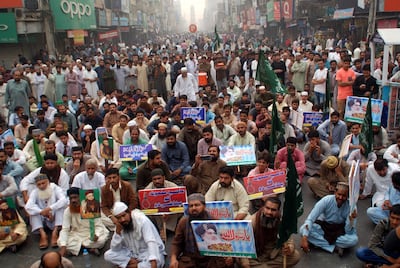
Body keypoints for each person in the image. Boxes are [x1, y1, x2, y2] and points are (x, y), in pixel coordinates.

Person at [169, 193, 229, 268]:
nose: (194, 208)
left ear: (204, 206)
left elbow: (225, 242)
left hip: (211, 258)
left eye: (197, 205)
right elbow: (177, 243)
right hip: (191, 258)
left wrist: (228, 256)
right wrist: (173, 258)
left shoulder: (214, 221)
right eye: (191, 206)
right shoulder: (184, 222)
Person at [300, 183, 358, 256]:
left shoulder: (352, 207)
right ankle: (334, 247)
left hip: (340, 229)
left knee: (353, 240)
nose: (340, 197)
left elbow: (348, 231)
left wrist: (351, 220)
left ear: (348, 196)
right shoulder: (326, 200)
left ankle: (320, 243)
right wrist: (305, 238)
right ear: (335, 193)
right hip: (325, 226)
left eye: (344, 196)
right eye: (339, 194)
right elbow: (310, 219)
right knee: (303, 230)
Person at [104, 201, 166, 268]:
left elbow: (151, 241)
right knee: (108, 255)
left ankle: (130, 266)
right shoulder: (120, 225)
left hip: (147, 252)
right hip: (132, 254)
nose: (122, 219)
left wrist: (153, 261)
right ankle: (136, 264)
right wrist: (117, 233)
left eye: (124, 215)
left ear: (129, 213)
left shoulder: (142, 220)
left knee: (157, 261)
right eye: (119, 218)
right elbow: (115, 249)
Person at [249, 197, 300, 267]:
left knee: (295, 256)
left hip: (273, 254)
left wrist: (289, 248)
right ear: (263, 208)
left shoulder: (282, 221)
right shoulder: (252, 221)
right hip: (256, 254)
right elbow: (243, 244)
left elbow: (289, 240)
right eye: (267, 208)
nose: (269, 212)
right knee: (241, 259)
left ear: (278, 211)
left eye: (273, 210)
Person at [58, 187, 109, 256]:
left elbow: (99, 226)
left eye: (75, 197)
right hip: (77, 234)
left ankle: (78, 248)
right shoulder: (68, 211)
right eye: (71, 198)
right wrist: (63, 246)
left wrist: (96, 235)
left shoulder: (92, 207)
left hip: (91, 233)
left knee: (101, 241)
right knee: (60, 242)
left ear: (81, 197)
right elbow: (65, 229)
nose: (73, 200)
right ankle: (89, 248)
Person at [25, 173, 68, 249]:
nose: (41, 186)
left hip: (54, 217)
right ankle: (43, 235)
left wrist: (50, 208)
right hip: (42, 218)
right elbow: (28, 206)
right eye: (39, 184)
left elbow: (63, 200)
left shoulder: (55, 188)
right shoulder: (35, 192)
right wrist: (41, 212)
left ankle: (55, 233)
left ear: (48, 182)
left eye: (43, 183)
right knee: (33, 212)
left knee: (60, 208)